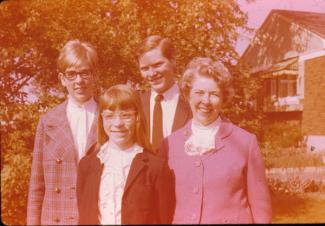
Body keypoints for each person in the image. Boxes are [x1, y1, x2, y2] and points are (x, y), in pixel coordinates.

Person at [159, 57, 272, 224]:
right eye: (199, 93)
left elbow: (261, 210)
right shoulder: (169, 145)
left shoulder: (246, 143)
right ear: (187, 94)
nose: (205, 101)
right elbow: (163, 205)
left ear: (224, 98)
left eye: (214, 94)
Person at [77, 85, 174, 225]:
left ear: (137, 118)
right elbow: (84, 215)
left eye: (126, 116)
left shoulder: (156, 167)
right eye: (110, 116)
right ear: (101, 119)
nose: (118, 123)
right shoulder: (86, 165)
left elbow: (164, 218)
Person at [27, 39, 99, 225]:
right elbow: (37, 185)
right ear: (62, 79)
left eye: (85, 73)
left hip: (99, 216)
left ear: (94, 75)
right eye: (72, 74)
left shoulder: (110, 118)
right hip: (56, 218)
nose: (79, 81)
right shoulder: (48, 122)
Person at [137, 35, 192, 150]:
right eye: (145, 69)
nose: (151, 74)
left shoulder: (193, 101)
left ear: (173, 61)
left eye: (157, 65)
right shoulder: (136, 104)